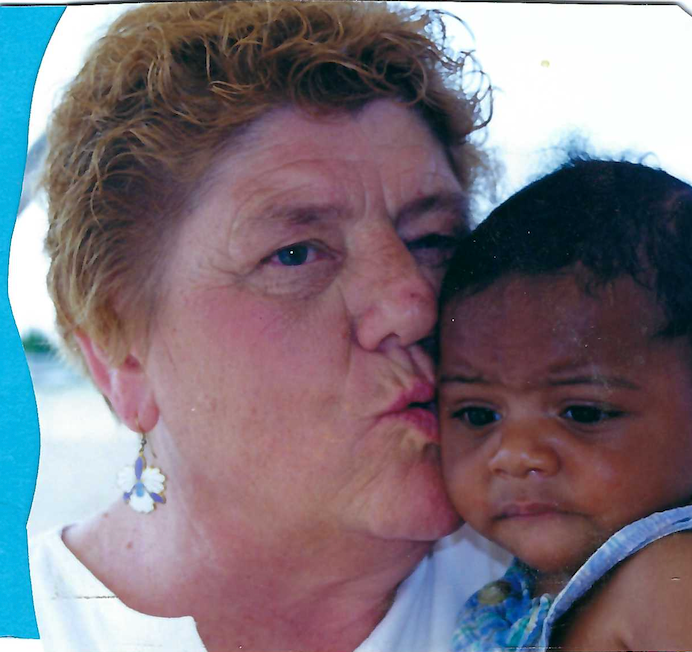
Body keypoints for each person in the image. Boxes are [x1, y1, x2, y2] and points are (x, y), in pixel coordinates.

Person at [29, 2, 509, 650]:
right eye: (296, 254)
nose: (412, 305)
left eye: (434, 240)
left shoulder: (608, 596)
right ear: (122, 357)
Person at [437, 158, 692, 651]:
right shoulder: (633, 539)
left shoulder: (691, 581)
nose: (516, 455)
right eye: (478, 414)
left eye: (582, 413)